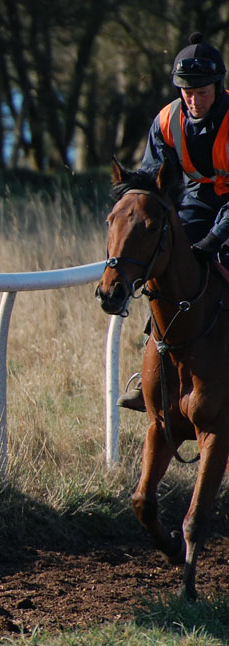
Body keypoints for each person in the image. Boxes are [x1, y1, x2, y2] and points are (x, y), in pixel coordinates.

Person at [117, 32, 229, 412]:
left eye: (201, 91)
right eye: (186, 91)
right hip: (196, 201)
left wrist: (212, 241)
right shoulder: (165, 120)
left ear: (219, 86)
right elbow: (154, 186)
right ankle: (150, 370)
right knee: (166, 268)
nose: (193, 99)